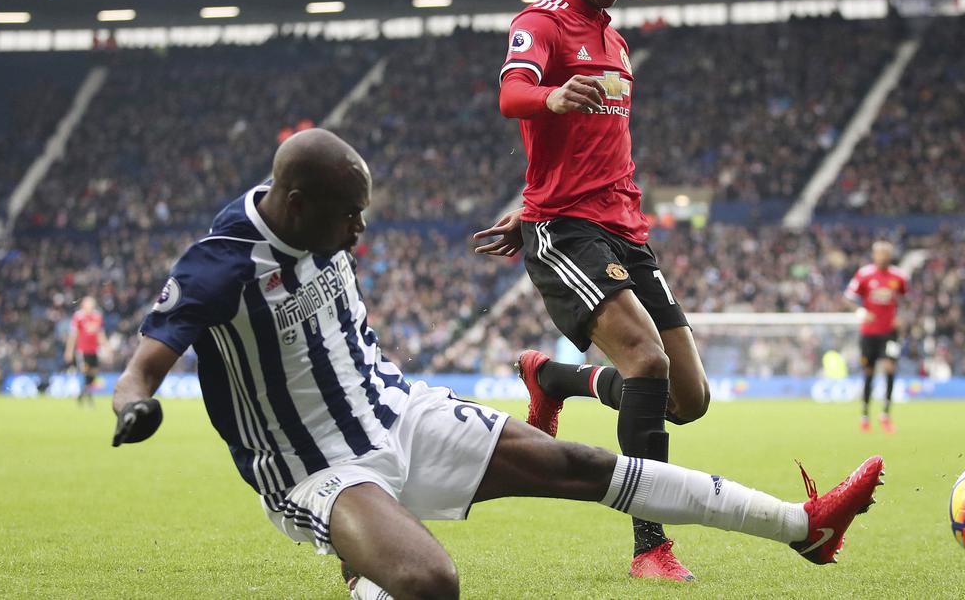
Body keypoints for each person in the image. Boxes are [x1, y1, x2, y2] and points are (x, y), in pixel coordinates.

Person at [112, 130, 885, 599]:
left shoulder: (315, 218)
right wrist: (134, 404)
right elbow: (145, 361)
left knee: (580, 463)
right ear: (295, 201)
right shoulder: (222, 264)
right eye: (348, 217)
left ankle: (803, 527)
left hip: (395, 408)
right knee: (429, 583)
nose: (358, 231)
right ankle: (366, 561)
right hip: (314, 467)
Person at [474, 0, 710, 580]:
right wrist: (548, 99)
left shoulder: (614, 42)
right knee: (647, 364)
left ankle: (553, 378)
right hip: (568, 232)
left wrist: (532, 195)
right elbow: (513, 94)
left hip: (625, 229)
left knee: (687, 399)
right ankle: (650, 546)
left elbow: (591, 148)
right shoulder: (539, 24)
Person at [844, 241, 907, 433]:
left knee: (889, 367)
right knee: (869, 372)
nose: (882, 257)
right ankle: (865, 415)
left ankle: (885, 415)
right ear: (874, 255)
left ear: (890, 255)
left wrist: (901, 317)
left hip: (890, 332)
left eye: (885, 253)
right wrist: (861, 311)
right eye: (879, 253)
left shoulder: (899, 276)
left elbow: (906, 300)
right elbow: (847, 298)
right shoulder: (864, 275)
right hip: (869, 333)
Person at [64, 296, 107, 406]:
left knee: (93, 374)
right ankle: (89, 397)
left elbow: (100, 333)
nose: (91, 306)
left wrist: (106, 347)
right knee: (85, 371)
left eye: (92, 304)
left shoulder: (97, 316)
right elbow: (73, 335)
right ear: (83, 305)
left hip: (94, 350)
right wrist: (69, 351)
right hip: (82, 350)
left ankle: (82, 394)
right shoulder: (78, 316)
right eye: (88, 304)